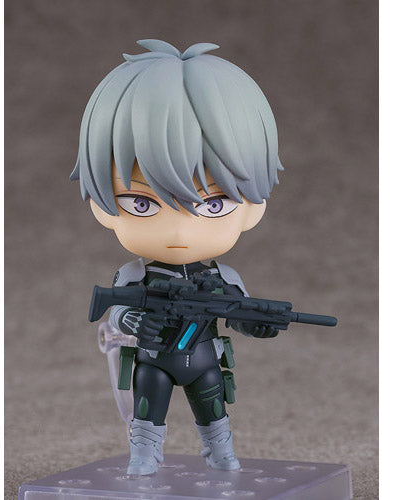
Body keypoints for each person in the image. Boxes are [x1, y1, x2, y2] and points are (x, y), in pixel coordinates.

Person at [71, 39, 283, 475]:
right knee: (148, 413)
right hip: (154, 361)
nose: (181, 231)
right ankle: (143, 456)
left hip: (204, 360)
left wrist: (256, 324)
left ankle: (220, 454)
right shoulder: (136, 274)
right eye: (142, 203)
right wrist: (135, 322)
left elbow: (239, 312)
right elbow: (116, 313)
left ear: (253, 208)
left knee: (214, 410)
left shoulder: (222, 277)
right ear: (102, 205)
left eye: (214, 204)